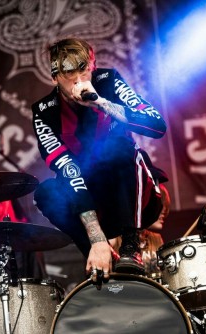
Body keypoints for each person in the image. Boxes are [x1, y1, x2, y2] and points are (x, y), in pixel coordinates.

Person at [31, 38, 167, 282]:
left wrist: (100, 102)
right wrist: (97, 239)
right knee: (47, 192)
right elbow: (67, 170)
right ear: (54, 77)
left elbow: (156, 125)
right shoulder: (44, 112)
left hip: (134, 196)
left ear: (92, 67)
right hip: (89, 197)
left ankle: (130, 245)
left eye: (83, 69)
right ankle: (98, 253)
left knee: (118, 148)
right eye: (68, 72)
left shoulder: (108, 81)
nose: (78, 79)